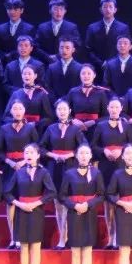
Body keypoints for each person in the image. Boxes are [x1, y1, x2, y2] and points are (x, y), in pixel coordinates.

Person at [4, 143, 56, 264]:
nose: (28, 155)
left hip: (36, 211)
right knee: (24, 248)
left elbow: (51, 192)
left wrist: (37, 203)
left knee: (35, 247)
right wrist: (19, 204)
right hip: (21, 211)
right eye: (26, 152)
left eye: (32, 152)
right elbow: (7, 193)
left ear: (38, 155)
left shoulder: (44, 172)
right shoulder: (19, 172)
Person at [39, 99, 87, 249]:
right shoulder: (50, 128)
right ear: (56, 111)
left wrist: (70, 154)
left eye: (64, 109)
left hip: (71, 167)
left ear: (69, 111)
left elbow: (84, 146)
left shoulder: (76, 129)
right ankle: (62, 237)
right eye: (59, 109)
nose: (62, 112)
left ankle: (73, 236)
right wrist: (53, 155)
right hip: (54, 167)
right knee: (58, 204)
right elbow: (41, 148)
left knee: (70, 202)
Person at [91, 98, 132, 249]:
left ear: (121, 108)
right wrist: (104, 151)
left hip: (122, 167)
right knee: (107, 202)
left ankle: (120, 237)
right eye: (112, 107)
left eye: (117, 107)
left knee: (119, 200)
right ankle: (111, 238)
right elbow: (93, 146)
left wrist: (122, 151)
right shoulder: (101, 125)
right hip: (106, 166)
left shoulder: (127, 126)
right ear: (108, 108)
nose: (114, 110)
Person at [60, 144, 106, 264]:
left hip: (89, 213)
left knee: (87, 250)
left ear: (91, 156)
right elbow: (62, 196)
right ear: (76, 155)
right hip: (74, 213)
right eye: (81, 153)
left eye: (87, 153)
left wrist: (88, 204)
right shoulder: (69, 173)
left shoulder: (96, 173)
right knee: (75, 251)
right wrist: (74, 206)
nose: (84, 156)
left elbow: (101, 195)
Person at [0, 100, 40, 248]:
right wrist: (9, 162)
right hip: (10, 169)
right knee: (11, 202)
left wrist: (25, 161)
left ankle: (23, 236)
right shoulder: (4, 129)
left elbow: (37, 148)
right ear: (11, 111)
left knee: (23, 200)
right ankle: (13, 238)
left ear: (24, 110)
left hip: (26, 168)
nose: (18, 111)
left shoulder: (30, 128)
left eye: (20, 108)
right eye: (15, 109)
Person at [4, 65, 54, 137]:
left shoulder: (41, 94)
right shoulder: (16, 94)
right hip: (19, 131)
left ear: (35, 76)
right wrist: (18, 122)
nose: (27, 76)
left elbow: (48, 117)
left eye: (29, 74)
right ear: (22, 76)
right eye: (24, 74)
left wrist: (35, 124)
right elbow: (6, 116)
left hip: (37, 130)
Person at [84, 0, 131, 73]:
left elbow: (125, 48)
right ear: (101, 9)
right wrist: (101, 63)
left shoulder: (123, 28)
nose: (108, 10)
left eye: (110, 7)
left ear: (115, 10)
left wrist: (111, 63)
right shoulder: (92, 27)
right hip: (96, 67)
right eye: (105, 7)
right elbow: (88, 49)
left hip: (116, 66)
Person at [0, 0, 36, 64]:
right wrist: (4, 56)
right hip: (3, 63)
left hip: (24, 64)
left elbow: (33, 49)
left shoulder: (29, 29)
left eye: (15, 9)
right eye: (9, 9)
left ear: (21, 10)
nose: (12, 12)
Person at [3, 36, 47, 100]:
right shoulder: (10, 66)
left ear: (31, 48)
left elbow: (42, 83)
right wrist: (19, 92)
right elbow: (5, 84)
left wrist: (30, 90)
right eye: (20, 45)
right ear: (17, 48)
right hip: (15, 99)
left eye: (26, 46)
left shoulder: (39, 65)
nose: (23, 48)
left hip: (33, 99)